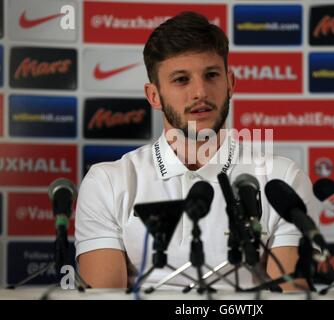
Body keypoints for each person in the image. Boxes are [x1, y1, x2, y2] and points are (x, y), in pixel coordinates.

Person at [75, 11, 320, 291]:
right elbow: (104, 299)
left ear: (230, 83)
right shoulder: (108, 181)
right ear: (154, 95)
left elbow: (289, 295)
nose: (200, 92)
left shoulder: (283, 179)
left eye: (211, 75)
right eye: (181, 80)